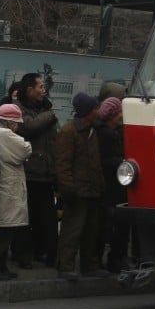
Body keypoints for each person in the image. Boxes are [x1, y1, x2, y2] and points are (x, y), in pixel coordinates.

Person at [54, 92, 108, 280]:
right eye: (95, 108)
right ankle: (65, 266)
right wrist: (69, 189)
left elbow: (95, 161)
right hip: (77, 191)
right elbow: (63, 164)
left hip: (92, 189)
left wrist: (100, 185)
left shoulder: (92, 131)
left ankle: (89, 266)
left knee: (91, 231)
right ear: (87, 111)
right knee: (72, 230)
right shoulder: (69, 132)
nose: (98, 111)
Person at [16, 72, 59, 269]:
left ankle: (47, 253)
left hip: (46, 173)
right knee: (27, 218)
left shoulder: (44, 109)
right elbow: (28, 126)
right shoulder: (20, 108)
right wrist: (50, 114)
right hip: (29, 172)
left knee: (48, 219)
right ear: (29, 89)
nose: (44, 90)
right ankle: (25, 255)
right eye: (40, 87)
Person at [0, 103, 31, 280]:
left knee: (1, 230)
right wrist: (26, 142)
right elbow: (25, 149)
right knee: (3, 231)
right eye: (16, 124)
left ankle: (0, 266)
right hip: (7, 187)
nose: (17, 127)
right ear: (10, 123)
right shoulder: (3, 133)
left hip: (3, 185)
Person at [96, 96, 131, 273]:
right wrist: (123, 162)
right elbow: (106, 160)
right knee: (114, 226)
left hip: (110, 187)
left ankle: (111, 260)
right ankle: (115, 260)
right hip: (113, 187)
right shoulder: (108, 134)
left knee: (108, 225)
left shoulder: (107, 131)